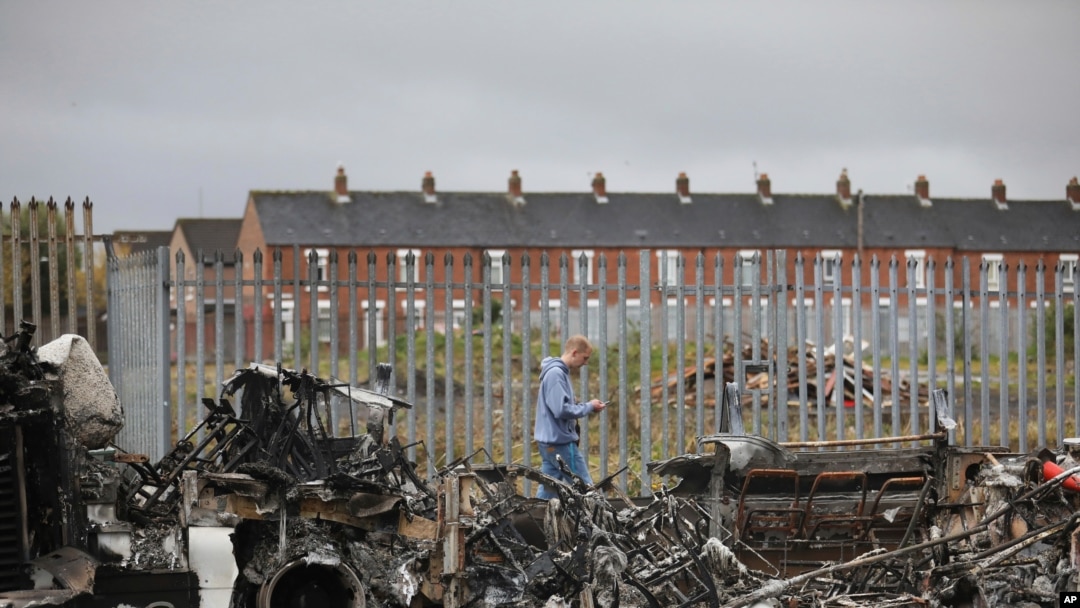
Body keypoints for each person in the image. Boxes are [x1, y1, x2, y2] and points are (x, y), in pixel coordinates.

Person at [533, 334, 606, 499]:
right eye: (585, 357)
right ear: (574, 352)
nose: (586, 363)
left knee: (548, 491)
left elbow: (560, 406)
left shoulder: (557, 372)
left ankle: (534, 521)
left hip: (549, 444)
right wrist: (589, 406)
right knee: (585, 489)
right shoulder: (556, 374)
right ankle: (594, 524)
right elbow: (561, 410)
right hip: (561, 444)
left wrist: (581, 404)